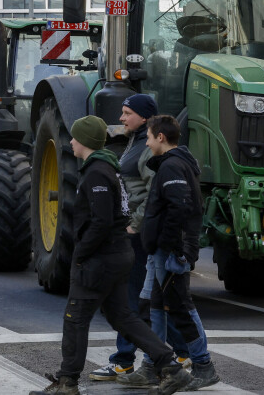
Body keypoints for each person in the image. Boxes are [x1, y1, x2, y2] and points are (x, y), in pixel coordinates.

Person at [30, 115, 192, 395]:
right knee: (123, 318)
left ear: (84, 141)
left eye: (74, 137)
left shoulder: (97, 173)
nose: (71, 141)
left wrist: (80, 253)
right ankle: (171, 367)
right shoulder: (106, 168)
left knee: (75, 318)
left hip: (101, 258)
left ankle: (67, 382)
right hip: (117, 254)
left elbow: (102, 220)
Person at [89, 95, 191, 383]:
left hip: (139, 235)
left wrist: (133, 226)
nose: (121, 118)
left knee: (130, 300)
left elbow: (151, 193)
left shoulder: (146, 151)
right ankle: (181, 353)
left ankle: (123, 361)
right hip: (139, 232)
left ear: (144, 117)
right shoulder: (135, 143)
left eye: (127, 113)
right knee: (151, 300)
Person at [141, 114, 219, 394]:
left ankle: (203, 366)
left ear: (160, 137)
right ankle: (153, 366)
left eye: (149, 137)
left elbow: (179, 209)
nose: (147, 143)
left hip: (170, 252)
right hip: (167, 249)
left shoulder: (172, 167)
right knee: (158, 307)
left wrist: (171, 247)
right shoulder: (175, 164)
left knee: (181, 307)